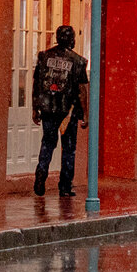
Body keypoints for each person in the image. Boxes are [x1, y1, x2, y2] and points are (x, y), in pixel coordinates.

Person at [31, 24, 90, 198]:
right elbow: (82, 90)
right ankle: (65, 186)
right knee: (69, 149)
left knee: (47, 144)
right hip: (68, 112)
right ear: (72, 39)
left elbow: (37, 84)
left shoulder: (44, 57)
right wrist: (85, 113)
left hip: (48, 108)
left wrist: (35, 108)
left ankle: (41, 172)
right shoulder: (78, 61)